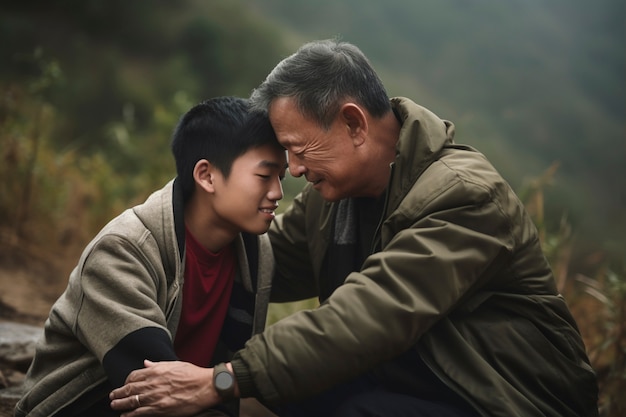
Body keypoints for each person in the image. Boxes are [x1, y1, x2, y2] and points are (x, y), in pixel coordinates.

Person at [110, 40, 599, 417]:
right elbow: (260, 261)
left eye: (298, 149)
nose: (294, 170)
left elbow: (367, 318)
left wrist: (218, 379)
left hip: (501, 397)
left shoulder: (464, 196)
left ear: (354, 124)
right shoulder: (335, 198)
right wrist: (149, 251)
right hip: (405, 381)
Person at [14, 96, 287, 417]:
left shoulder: (256, 253)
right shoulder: (124, 249)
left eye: (281, 177)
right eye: (264, 176)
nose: (278, 193)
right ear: (207, 175)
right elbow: (152, 381)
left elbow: (212, 385)